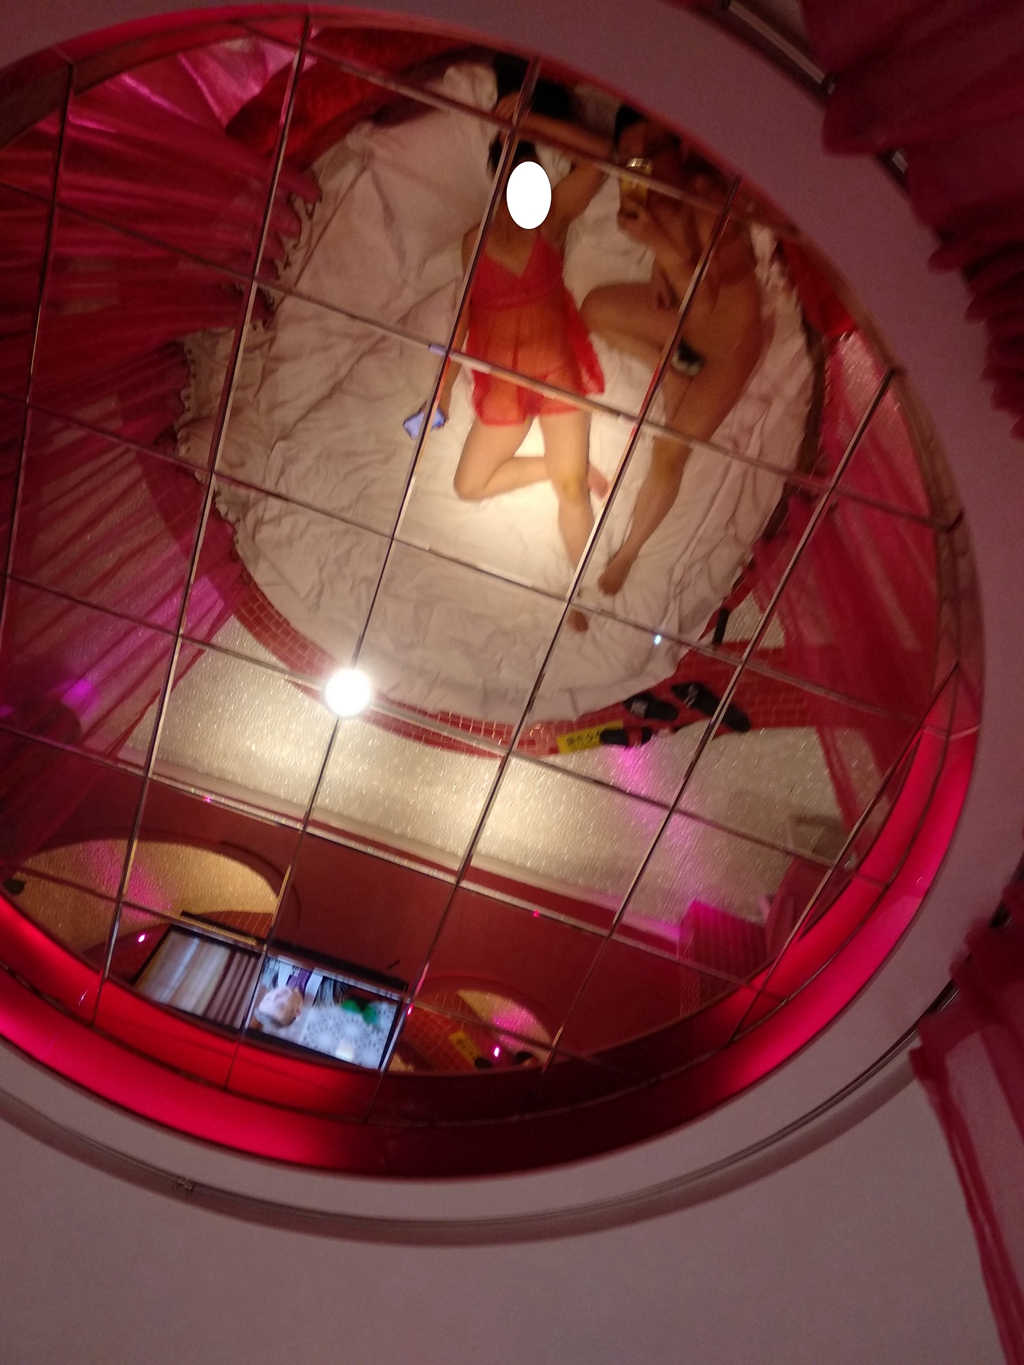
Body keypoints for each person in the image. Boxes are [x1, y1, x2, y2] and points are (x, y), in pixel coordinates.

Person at [424, 89, 612, 629]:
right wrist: (443, 385)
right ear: (497, 178)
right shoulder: (475, 240)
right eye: (509, 170)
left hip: (556, 375)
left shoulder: (553, 219)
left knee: (571, 491)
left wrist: (533, 122)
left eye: (529, 171)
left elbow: (603, 156)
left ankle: (580, 592)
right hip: (504, 383)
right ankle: (562, 467)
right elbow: (464, 315)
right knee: (468, 486)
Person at [580, 110, 768, 596]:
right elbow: (682, 283)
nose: (639, 167)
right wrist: (657, 267)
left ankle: (629, 551)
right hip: (685, 323)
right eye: (630, 158)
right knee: (594, 308)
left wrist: (657, 245)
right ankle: (666, 368)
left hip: (728, 348)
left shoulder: (708, 206)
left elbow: (705, 304)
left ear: (678, 151)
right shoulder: (650, 198)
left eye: (650, 154)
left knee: (668, 451)